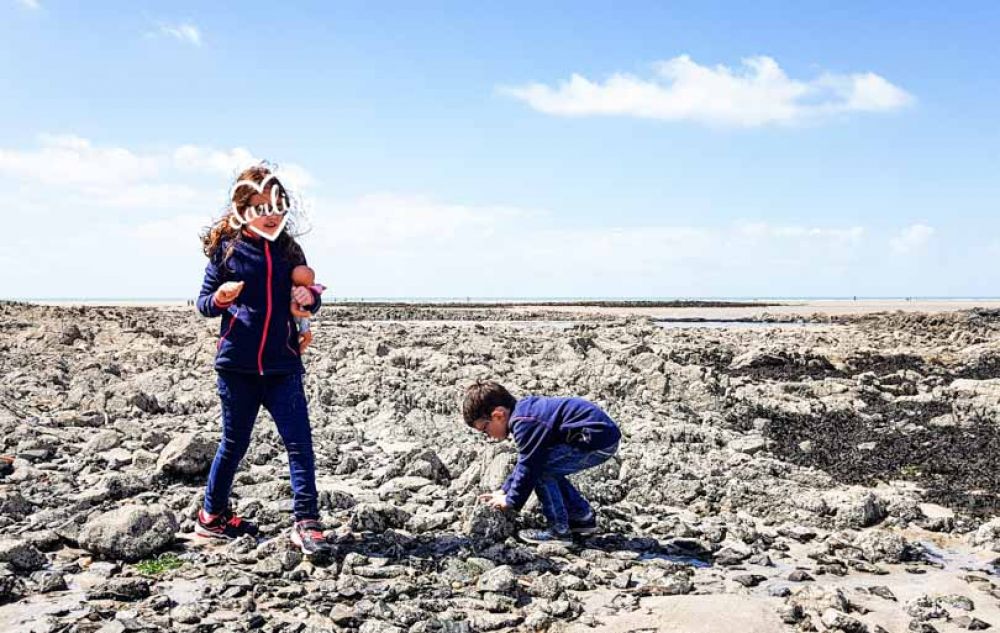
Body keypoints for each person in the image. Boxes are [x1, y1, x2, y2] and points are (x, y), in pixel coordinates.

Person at [194, 164, 328, 555]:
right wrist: (219, 299)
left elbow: (310, 295)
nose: (271, 212)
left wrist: (310, 299)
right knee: (234, 444)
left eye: (277, 204)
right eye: (261, 205)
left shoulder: (289, 251)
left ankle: (306, 521)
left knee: (300, 443)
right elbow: (203, 303)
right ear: (242, 208)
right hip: (236, 366)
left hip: (282, 364)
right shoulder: (228, 250)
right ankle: (212, 517)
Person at [462, 380, 621, 544]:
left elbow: (530, 467)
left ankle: (559, 531)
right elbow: (527, 460)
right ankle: (581, 517)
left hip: (596, 440)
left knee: (542, 470)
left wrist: (511, 501)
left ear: (498, 416)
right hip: (598, 436)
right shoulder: (523, 414)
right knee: (545, 465)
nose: (488, 436)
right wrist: (504, 490)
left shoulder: (525, 423)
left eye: (485, 429)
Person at [290, 264, 326, 353]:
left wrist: (314, 297)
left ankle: (296, 350)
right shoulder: (296, 294)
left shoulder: (308, 290)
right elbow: (293, 310)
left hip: (300, 323)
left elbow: (317, 292)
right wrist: (306, 314)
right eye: (311, 281)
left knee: (302, 337)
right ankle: (299, 351)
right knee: (308, 338)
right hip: (301, 323)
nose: (313, 283)